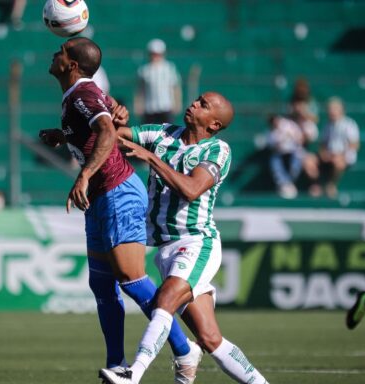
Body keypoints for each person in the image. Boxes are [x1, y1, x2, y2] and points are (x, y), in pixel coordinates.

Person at [38, 37, 201, 383]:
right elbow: (99, 123)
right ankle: (116, 364)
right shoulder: (78, 95)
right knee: (102, 284)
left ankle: (185, 349)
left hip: (118, 191)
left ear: (73, 65)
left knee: (131, 278)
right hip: (100, 197)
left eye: (62, 52)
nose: (55, 54)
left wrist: (83, 173)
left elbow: (107, 131)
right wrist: (63, 135)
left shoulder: (83, 92)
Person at [100, 92, 269, 384]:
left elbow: (191, 189)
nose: (194, 104)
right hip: (166, 247)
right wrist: (112, 116)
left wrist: (151, 158)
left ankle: (132, 374)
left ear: (214, 125)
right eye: (197, 99)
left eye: (203, 105)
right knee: (210, 338)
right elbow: (114, 136)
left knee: (163, 300)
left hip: (196, 242)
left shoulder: (217, 150)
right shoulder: (164, 133)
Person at [309, 97, 360, 198]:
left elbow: (354, 144)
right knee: (309, 161)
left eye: (334, 109)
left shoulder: (349, 124)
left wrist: (341, 155)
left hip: (344, 156)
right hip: (330, 154)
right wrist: (324, 153)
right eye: (330, 109)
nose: (331, 111)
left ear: (341, 110)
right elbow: (323, 144)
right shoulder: (327, 126)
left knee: (338, 162)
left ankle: (331, 186)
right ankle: (318, 184)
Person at [134, 38, 182, 124]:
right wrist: (138, 105)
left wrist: (177, 103)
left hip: (166, 108)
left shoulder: (169, 68)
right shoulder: (144, 70)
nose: (156, 57)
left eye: (158, 54)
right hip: (149, 109)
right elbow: (140, 90)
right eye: (154, 54)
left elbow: (175, 87)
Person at [266, 114, 304, 199]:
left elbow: (299, 138)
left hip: (294, 152)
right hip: (280, 154)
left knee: (296, 159)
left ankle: (288, 185)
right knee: (274, 160)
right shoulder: (271, 132)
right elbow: (273, 146)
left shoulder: (289, 125)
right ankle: (285, 185)